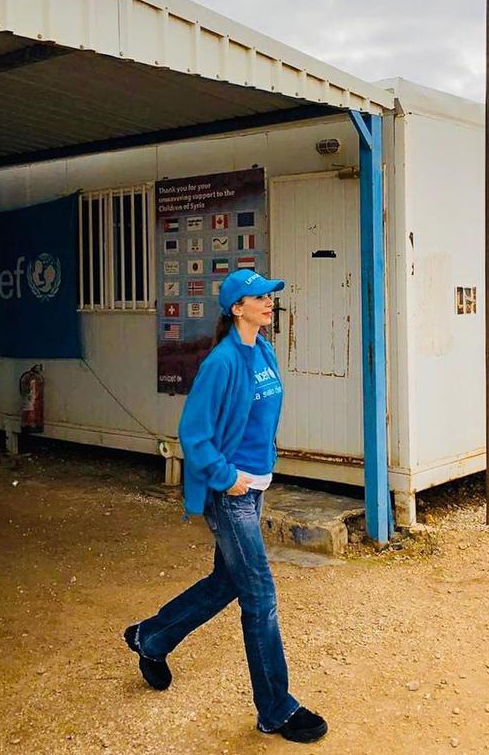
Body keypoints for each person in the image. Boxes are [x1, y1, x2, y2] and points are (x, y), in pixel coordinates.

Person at [124, 268, 328, 744]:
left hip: (254, 486)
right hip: (231, 494)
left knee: (227, 582)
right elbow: (193, 434)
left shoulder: (264, 350)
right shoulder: (221, 362)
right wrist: (226, 477)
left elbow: (260, 416)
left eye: (270, 295)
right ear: (238, 308)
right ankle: (276, 709)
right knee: (261, 596)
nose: (269, 302)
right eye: (260, 297)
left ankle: (151, 638)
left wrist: (261, 466)